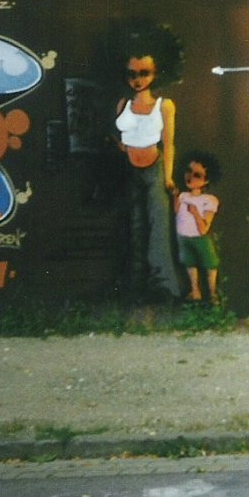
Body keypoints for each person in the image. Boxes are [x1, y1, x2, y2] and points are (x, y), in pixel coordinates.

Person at [111, 20, 183, 300]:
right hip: (131, 169)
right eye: (132, 74)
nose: (137, 80)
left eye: (144, 73)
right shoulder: (123, 104)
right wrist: (123, 149)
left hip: (154, 169)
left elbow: (169, 142)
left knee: (158, 227)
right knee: (136, 226)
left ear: (156, 73)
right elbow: (121, 133)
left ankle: (163, 285)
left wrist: (167, 175)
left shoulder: (164, 105)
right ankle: (137, 285)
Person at [174, 150, 222, 304]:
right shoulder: (183, 196)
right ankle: (195, 291)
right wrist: (176, 197)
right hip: (183, 236)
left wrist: (195, 213)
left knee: (209, 263)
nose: (190, 177)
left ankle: (212, 293)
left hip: (199, 238)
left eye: (197, 175)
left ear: (206, 180)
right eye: (189, 171)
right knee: (190, 263)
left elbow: (204, 229)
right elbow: (177, 213)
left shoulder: (209, 200)